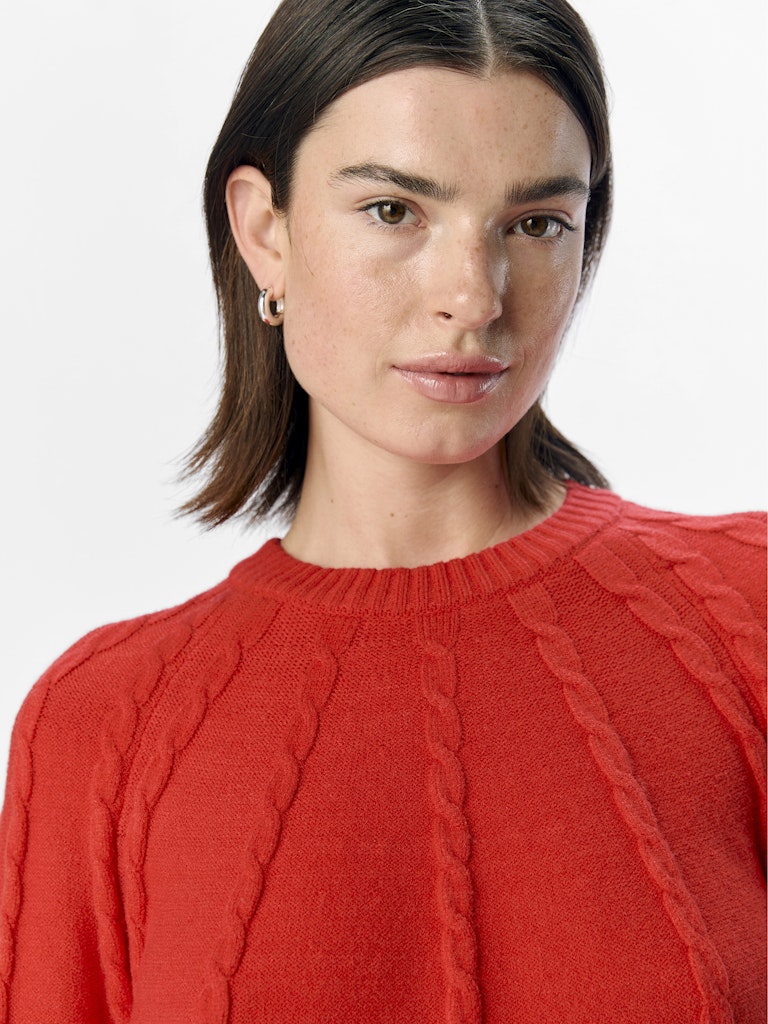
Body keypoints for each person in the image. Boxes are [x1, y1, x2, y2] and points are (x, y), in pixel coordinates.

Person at [0, 0, 764, 1021]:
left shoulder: (747, 614)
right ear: (264, 231)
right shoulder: (101, 729)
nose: (474, 297)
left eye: (536, 223)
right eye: (394, 211)